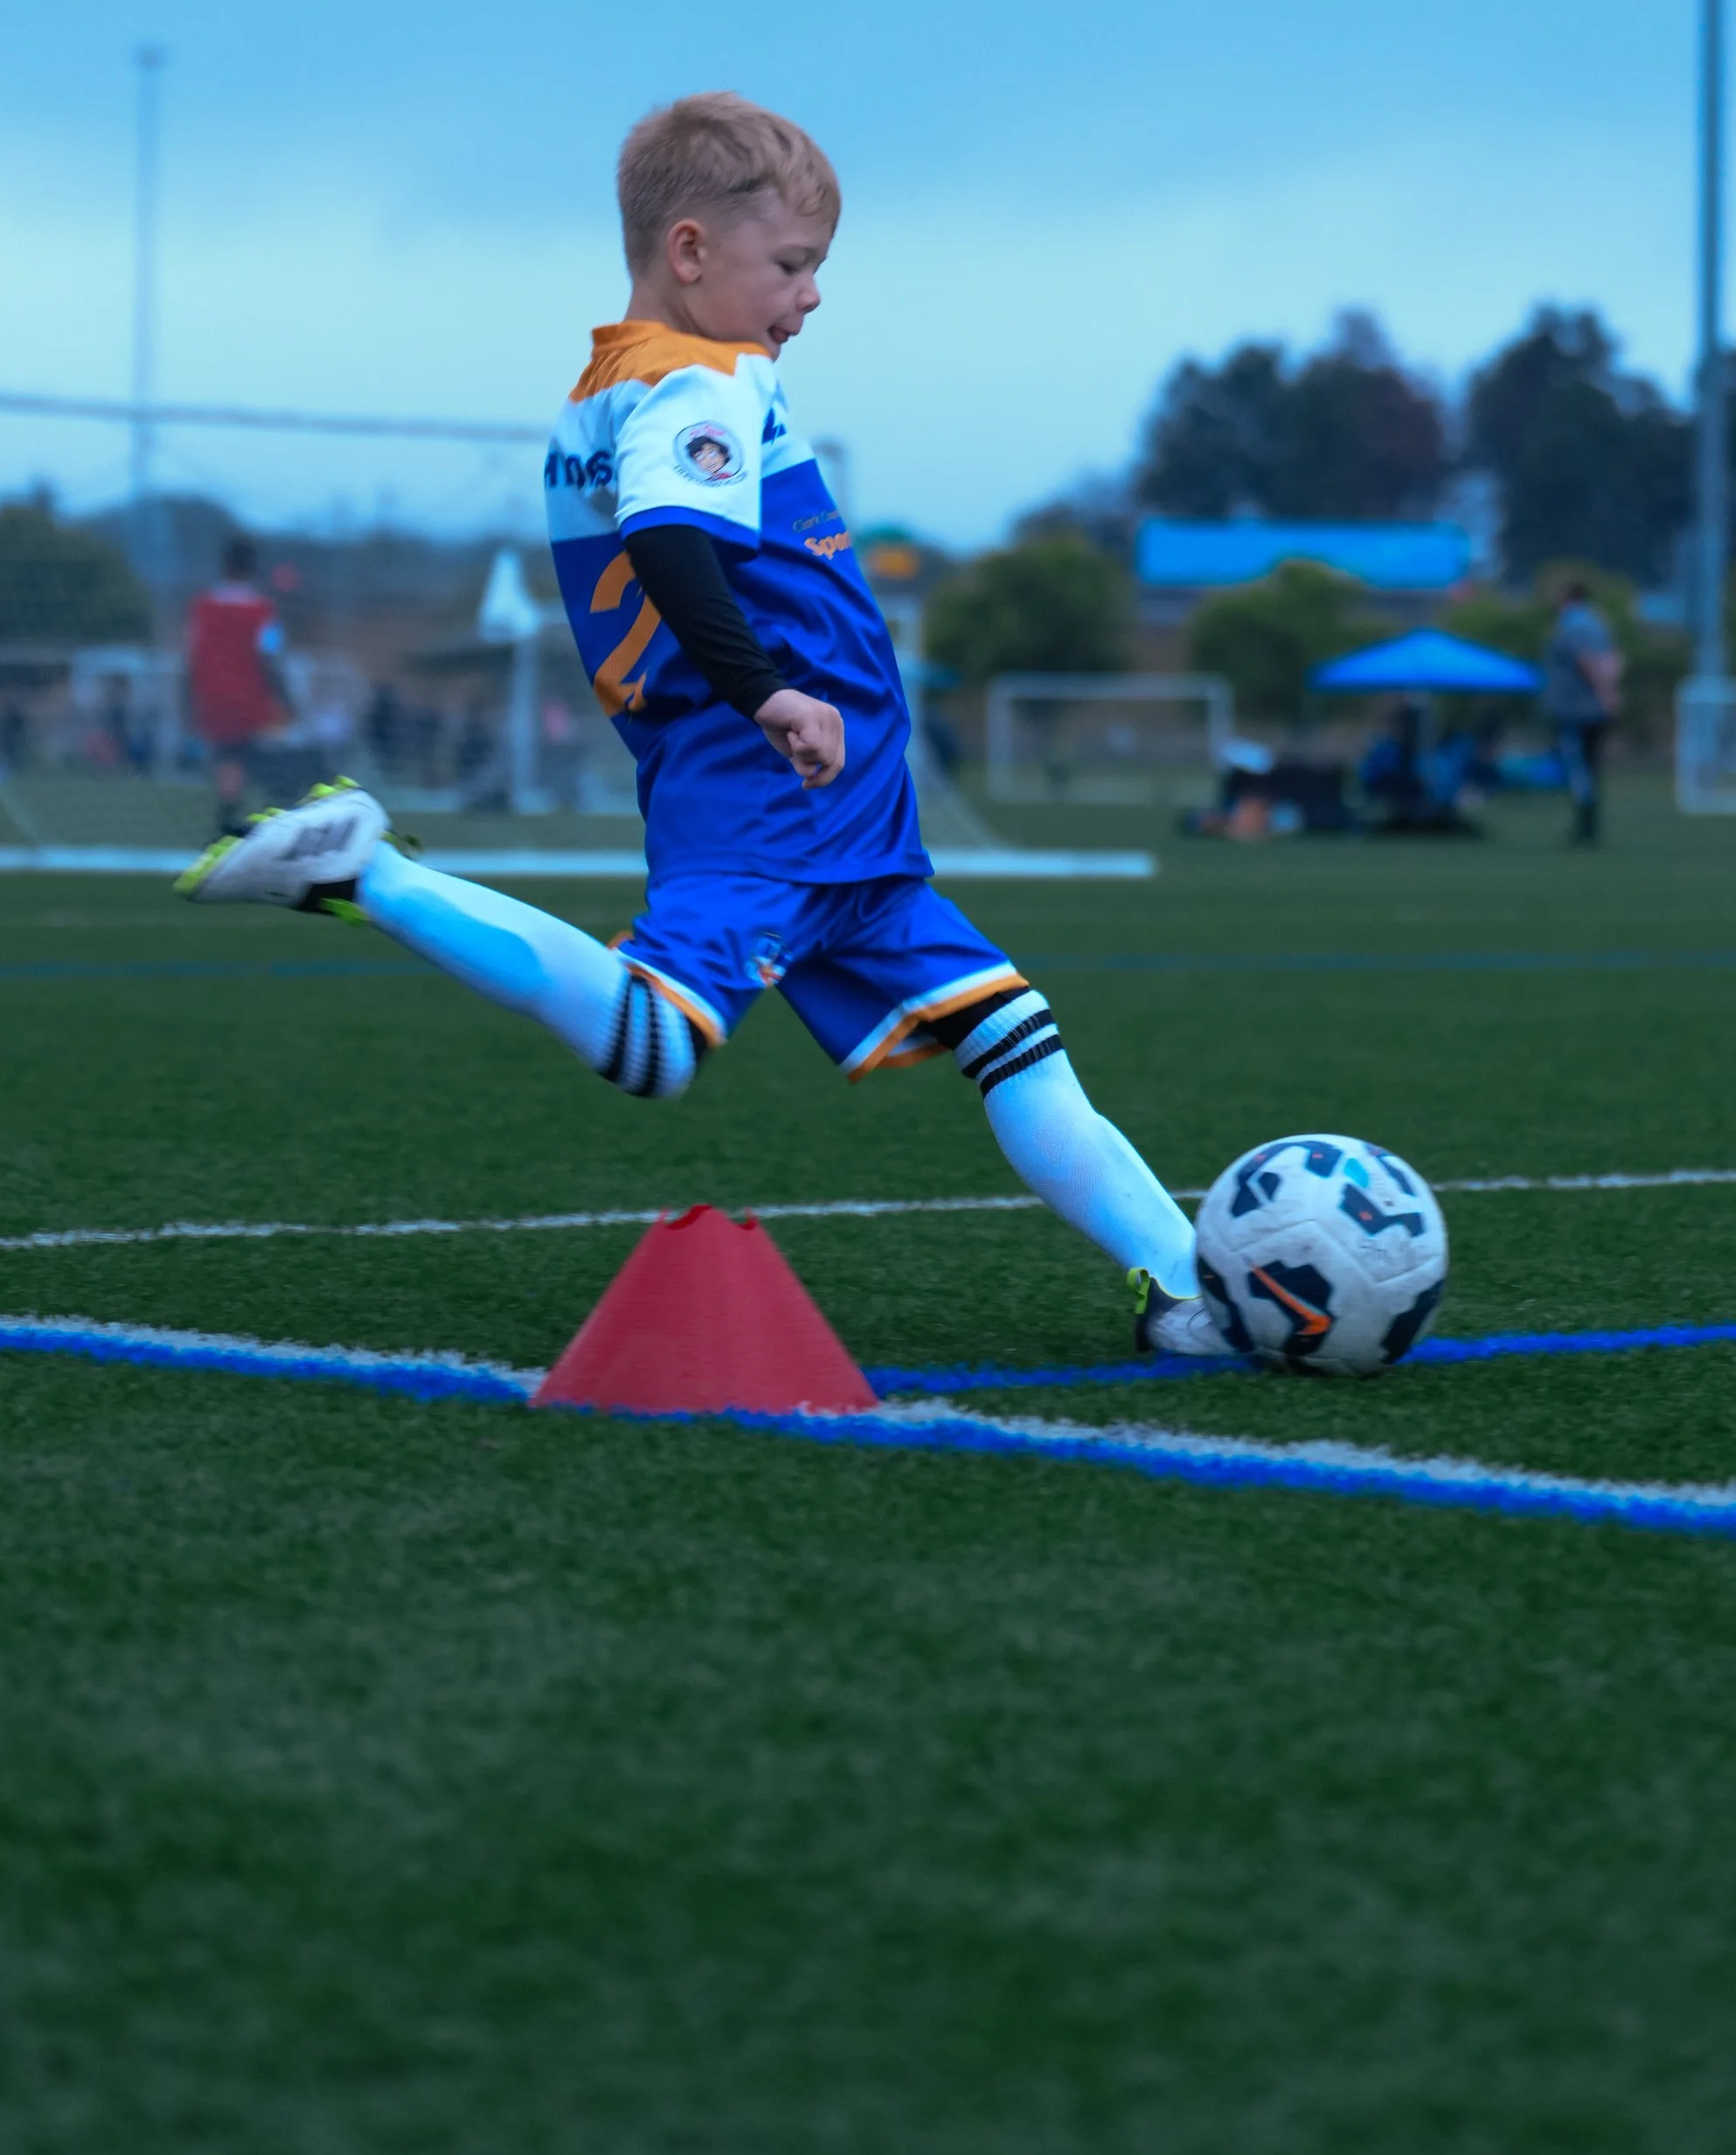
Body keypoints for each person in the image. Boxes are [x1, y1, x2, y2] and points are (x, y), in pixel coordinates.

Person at [173, 93, 1235, 1359]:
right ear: (690, 252)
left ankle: (1180, 1285)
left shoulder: (620, 385)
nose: (812, 296)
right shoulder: (699, 376)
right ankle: (370, 870)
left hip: (839, 819)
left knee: (1012, 1031)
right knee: (653, 1042)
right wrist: (770, 691)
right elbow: (669, 537)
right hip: (771, 797)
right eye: (792, 264)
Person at [184, 535, 289, 832]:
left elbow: (190, 655)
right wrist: (287, 701)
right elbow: (270, 656)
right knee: (266, 758)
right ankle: (270, 825)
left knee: (230, 760)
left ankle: (228, 822)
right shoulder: (262, 611)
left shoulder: (202, 608)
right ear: (253, 568)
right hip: (251, 697)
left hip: (213, 695)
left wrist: (188, 700)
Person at [1543, 579, 1621, 847]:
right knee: (1588, 767)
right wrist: (1611, 693)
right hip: (1591, 709)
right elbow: (1612, 659)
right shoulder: (1598, 623)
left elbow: (1587, 662)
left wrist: (1604, 693)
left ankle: (1586, 827)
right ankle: (1588, 824)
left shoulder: (1574, 626)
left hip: (1576, 710)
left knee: (1578, 767)